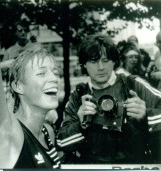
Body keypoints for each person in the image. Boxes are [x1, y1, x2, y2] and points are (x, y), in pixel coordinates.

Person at [0, 0, 61, 169]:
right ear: (18, 86)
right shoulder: (7, 134)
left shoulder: (47, 132)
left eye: (55, 72)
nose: (53, 78)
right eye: (42, 72)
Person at [57, 34, 161, 164]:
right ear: (84, 64)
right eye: (94, 61)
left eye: (105, 60)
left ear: (114, 61)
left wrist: (146, 116)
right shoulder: (79, 96)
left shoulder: (133, 85)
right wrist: (81, 125)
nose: (100, 67)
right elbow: (61, 141)